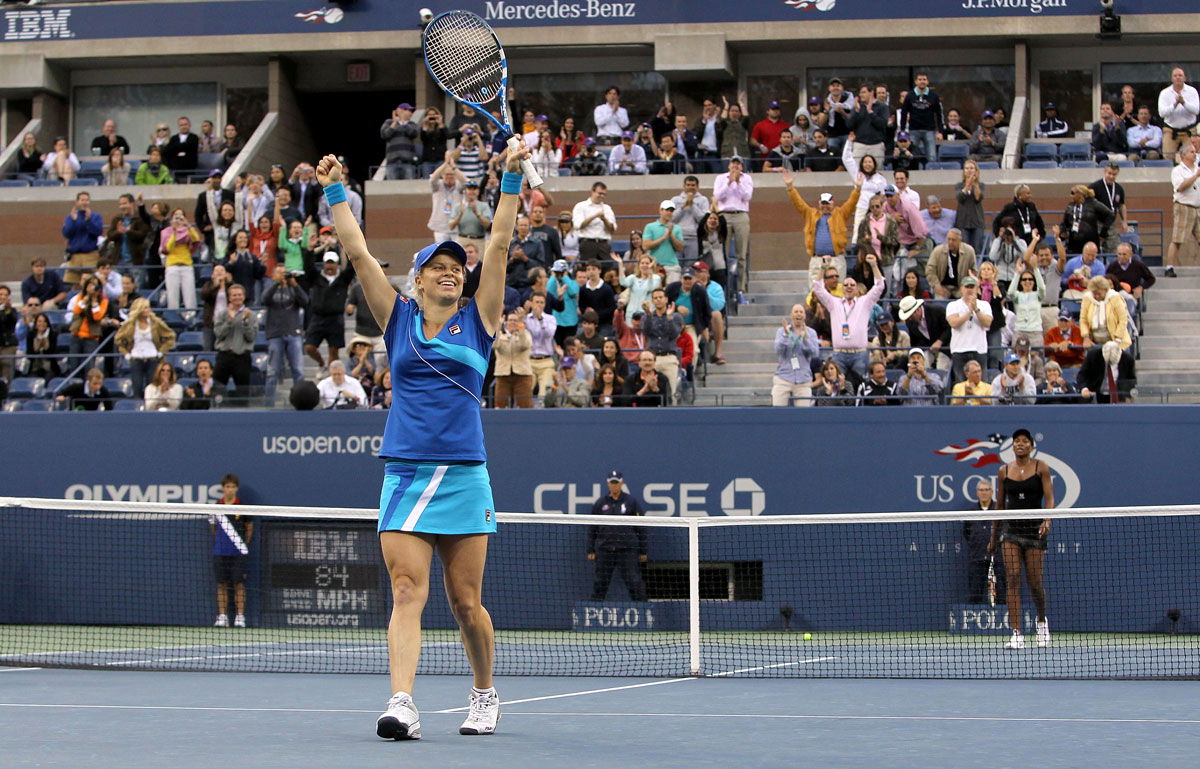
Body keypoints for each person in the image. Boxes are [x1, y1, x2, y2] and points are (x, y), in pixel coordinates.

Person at [316, 145, 528, 738]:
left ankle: (484, 693)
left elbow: (500, 244)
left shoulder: (480, 318)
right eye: (439, 263)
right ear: (419, 276)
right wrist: (336, 189)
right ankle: (402, 703)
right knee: (407, 590)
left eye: (456, 265)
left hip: (464, 474)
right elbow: (358, 255)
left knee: (466, 604)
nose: (451, 269)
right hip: (406, 474)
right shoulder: (398, 317)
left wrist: (509, 176)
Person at [989, 429, 1054, 650]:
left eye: (1025, 441)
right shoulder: (1003, 471)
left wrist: (1048, 518)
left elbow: (1050, 497)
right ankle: (1016, 633)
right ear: (1013, 446)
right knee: (1013, 577)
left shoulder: (1041, 467)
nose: (1020, 444)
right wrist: (993, 536)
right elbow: (999, 505)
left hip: (1034, 530)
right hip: (1010, 531)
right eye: (1017, 441)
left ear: (1031, 446)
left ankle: (1042, 622)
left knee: (1035, 582)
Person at [587, 470, 647, 600]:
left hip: (626, 550)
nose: (614, 485)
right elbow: (592, 528)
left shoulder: (631, 502)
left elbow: (641, 526)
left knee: (634, 582)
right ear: (608, 484)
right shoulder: (600, 503)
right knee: (600, 583)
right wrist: (590, 549)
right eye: (612, 483)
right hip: (605, 550)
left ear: (622, 483)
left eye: (616, 483)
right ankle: (594, 610)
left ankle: (643, 610)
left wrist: (643, 550)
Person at [210, 473, 252, 629]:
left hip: (238, 553)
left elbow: (249, 527)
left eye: (233, 487)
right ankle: (222, 617)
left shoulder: (242, 506)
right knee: (221, 584)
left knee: (239, 584)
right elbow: (213, 527)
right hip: (220, 552)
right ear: (223, 488)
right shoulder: (216, 506)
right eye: (227, 486)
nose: (230, 490)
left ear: (237, 488)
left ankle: (240, 617)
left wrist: (241, 545)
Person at [262, 265, 308, 400]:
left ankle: (300, 400)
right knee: (272, 372)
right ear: (273, 275)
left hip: (293, 333)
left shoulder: (293, 289)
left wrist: (295, 285)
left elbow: (305, 301)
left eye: (284, 273)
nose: (282, 276)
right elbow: (264, 299)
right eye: (279, 273)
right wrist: (276, 284)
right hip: (275, 334)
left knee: (298, 371)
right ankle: (269, 403)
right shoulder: (271, 288)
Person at [114, 297, 176, 397]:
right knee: (137, 386)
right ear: (139, 310)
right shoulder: (130, 324)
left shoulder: (156, 323)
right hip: (136, 358)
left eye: (148, 307)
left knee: (152, 388)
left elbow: (171, 336)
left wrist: (161, 352)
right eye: (145, 308)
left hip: (152, 358)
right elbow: (118, 339)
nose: (148, 310)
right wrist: (126, 354)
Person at [713, 156, 754, 292]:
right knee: (722, 252)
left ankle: (741, 287)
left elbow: (747, 196)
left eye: (738, 164)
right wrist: (729, 183)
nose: (735, 166)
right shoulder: (721, 178)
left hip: (741, 215)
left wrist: (738, 182)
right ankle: (723, 285)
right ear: (729, 165)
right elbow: (718, 196)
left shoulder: (746, 178)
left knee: (741, 254)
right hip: (724, 215)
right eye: (733, 163)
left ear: (742, 166)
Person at [212, 283, 257, 400]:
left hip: (242, 357)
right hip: (224, 356)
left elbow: (251, 337)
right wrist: (230, 321)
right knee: (217, 390)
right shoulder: (222, 314)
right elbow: (219, 334)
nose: (237, 297)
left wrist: (245, 322)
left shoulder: (251, 315)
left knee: (243, 393)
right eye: (234, 295)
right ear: (230, 297)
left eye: (240, 295)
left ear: (244, 296)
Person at [963, 479, 1003, 604]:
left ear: (991, 492)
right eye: (981, 490)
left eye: (986, 490)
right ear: (977, 493)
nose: (984, 493)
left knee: (1002, 593)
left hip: (998, 559)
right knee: (975, 593)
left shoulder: (1000, 511)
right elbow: (967, 533)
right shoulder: (970, 513)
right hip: (977, 558)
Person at [772, 303, 819, 407]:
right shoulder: (781, 331)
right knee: (777, 413)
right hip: (783, 378)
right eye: (796, 312)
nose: (798, 314)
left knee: (803, 416)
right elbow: (777, 350)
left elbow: (815, 353)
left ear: (805, 316)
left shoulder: (811, 333)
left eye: (801, 312)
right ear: (791, 315)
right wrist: (786, 335)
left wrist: (806, 339)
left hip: (803, 380)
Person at [1165, 144, 1200, 278]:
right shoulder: (1178, 170)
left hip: (1198, 207)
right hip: (1184, 206)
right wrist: (1195, 176)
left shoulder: (1197, 168)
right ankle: (1169, 267)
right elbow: (1180, 187)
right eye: (1191, 152)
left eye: (1195, 152)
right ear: (1184, 154)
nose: (1194, 154)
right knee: (1177, 239)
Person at [159, 208, 202, 310]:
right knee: (172, 295)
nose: (178, 218)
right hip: (172, 266)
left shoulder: (188, 231)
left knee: (190, 294)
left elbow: (196, 239)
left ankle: (191, 317)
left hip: (186, 265)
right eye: (176, 216)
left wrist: (188, 225)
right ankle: (173, 317)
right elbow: (168, 248)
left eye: (181, 216)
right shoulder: (166, 232)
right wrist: (174, 231)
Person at [900, 73, 943, 167]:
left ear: (927, 82)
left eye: (924, 79)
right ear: (916, 82)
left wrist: (940, 131)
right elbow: (904, 113)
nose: (922, 81)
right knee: (912, 155)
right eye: (920, 79)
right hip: (913, 130)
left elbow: (939, 114)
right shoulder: (910, 95)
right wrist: (902, 130)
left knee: (932, 156)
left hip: (929, 130)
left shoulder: (933, 96)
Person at [1079, 275, 1131, 351]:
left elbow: (1123, 320)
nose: (1096, 296)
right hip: (1095, 343)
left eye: (1099, 293)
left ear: (1105, 290)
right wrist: (1086, 337)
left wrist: (1117, 339)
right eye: (1094, 293)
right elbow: (1083, 320)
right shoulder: (1087, 298)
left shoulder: (1115, 298)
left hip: (1117, 342)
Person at [492, 311, 533, 408]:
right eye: (510, 320)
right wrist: (498, 326)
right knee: (500, 405)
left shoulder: (526, 334)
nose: (513, 322)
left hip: (522, 375)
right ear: (506, 322)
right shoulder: (500, 336)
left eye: (515, 320)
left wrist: (521, 326)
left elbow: (524, 345)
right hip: (503, 374)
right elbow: (494, 345)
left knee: (525, 406)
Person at [62, 191, 104, 284]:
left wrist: (88, 220)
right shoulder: (70, 217)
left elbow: (98, 232)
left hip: (90, 255)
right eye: (82, 200)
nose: (85, 202)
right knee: (71, 283)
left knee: (91, 282)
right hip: (74, 256)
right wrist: (73, 221)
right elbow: (67, 234)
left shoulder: (96, 216)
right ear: (77, 202)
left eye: (87, 200)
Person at [1059, 185, 1113, 256]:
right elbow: (1064, 222)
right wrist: (1063, 231)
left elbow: (1110, 214)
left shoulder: (1093, 203)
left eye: (1073, 193)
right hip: (1074, 242)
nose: (1071, 195)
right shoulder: (1071, 206)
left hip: (1091, 240)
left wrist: (1104, 232)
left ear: (1080, 194)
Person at [572, 182, 617, 266]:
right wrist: (594, 216)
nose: (602, 196)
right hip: (587, 244)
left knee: (608, 270)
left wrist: (604, 219)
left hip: (603, 244)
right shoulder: (580, 206)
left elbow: (612, 230)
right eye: (599, 193)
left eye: (604, 194)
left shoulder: (607, 208)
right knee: (587, 270)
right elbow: (579, 225)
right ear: (592, 192)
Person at [1078, 340, 1136, 404]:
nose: (1110, 364)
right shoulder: (1093, 355)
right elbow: (1082, 375)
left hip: (1118, 394)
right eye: (1108, 362)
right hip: (1095, 392)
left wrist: (1128, 395)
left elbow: (1130, 379)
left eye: (1112, 362)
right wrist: (1085, 389)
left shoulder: (1128, 359)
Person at [1158, 67, 1199, 156]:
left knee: (1192, 155)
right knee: (1168, 156)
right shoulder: (1164, 93)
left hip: (1189, 130)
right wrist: (1175, 104)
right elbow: (1162, 113)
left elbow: (1196, 110)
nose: (1178, 77)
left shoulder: (1192, 91)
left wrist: (1183, 103)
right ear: (1172, 78)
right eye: (1175, 76)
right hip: (1170, 130)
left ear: (1185, 78)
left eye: (1180, 75)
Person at [954, 160, 986, 255]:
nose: (969, 170)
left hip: (977, 221)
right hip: (963, 221)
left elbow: (978, 198)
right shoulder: (959, 185)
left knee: (977, 249)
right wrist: (968, 184)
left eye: (971, 168)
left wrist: (974, 183)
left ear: (976, 170)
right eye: (967, 168)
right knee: (965, 249)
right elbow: (960, 197)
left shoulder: (981, 185)